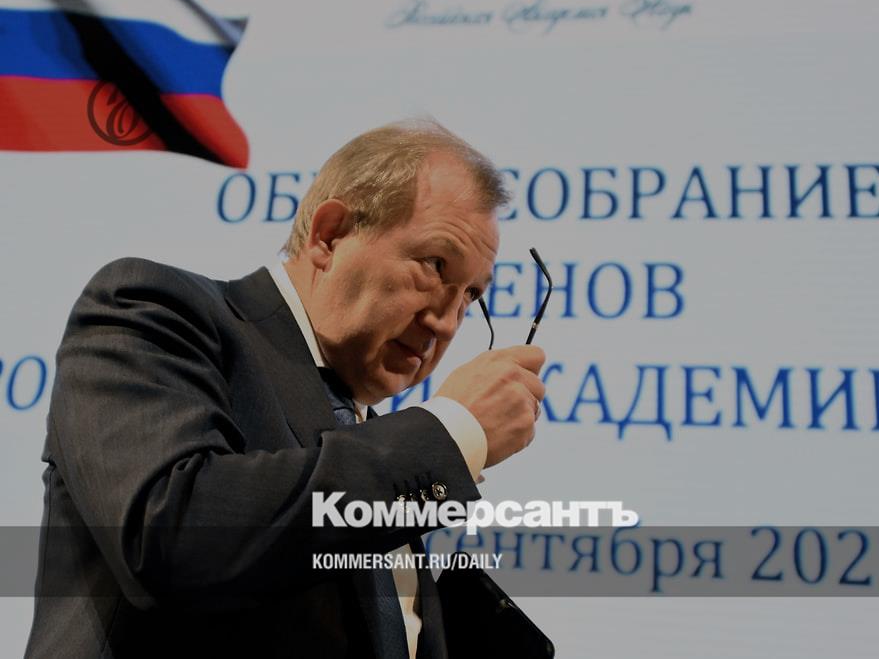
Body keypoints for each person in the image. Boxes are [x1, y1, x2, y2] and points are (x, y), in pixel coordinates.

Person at [25, 120, 546, 658]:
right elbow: (171, 536)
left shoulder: (376, 445)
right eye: (435, 266)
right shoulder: (153, 310)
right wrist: (451, 433)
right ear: (330, 235)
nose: (446, 322)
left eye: (469, 296)